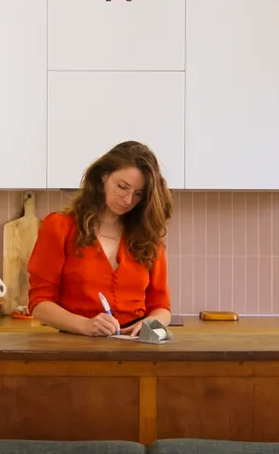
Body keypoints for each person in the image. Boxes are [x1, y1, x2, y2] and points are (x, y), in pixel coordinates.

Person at [27, 140, 173, 337]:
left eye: (138, 194)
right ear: (104, 176)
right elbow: (39, 303)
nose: (128, 200)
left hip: (136, 347)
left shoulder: (148, 237)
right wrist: (86, 326)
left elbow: (161, 307)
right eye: (122, 187)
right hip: (76, 345)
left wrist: (150, 323)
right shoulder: (59, 227)